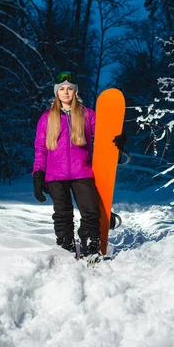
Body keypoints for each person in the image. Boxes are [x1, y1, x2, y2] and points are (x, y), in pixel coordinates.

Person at [32, 71, 126, 257]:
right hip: (55, 177)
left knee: (91, 212)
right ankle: (66, 250)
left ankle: (90, 249)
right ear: (56, 92)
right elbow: (41, 149)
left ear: (75, 92)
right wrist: (38, 174)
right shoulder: (46, 118)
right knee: (62, 216)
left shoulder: (87, 115)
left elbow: (105, 135)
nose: (66, 92)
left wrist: (118, 140)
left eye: (70, 89)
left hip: (82, 172)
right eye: (62, 89)